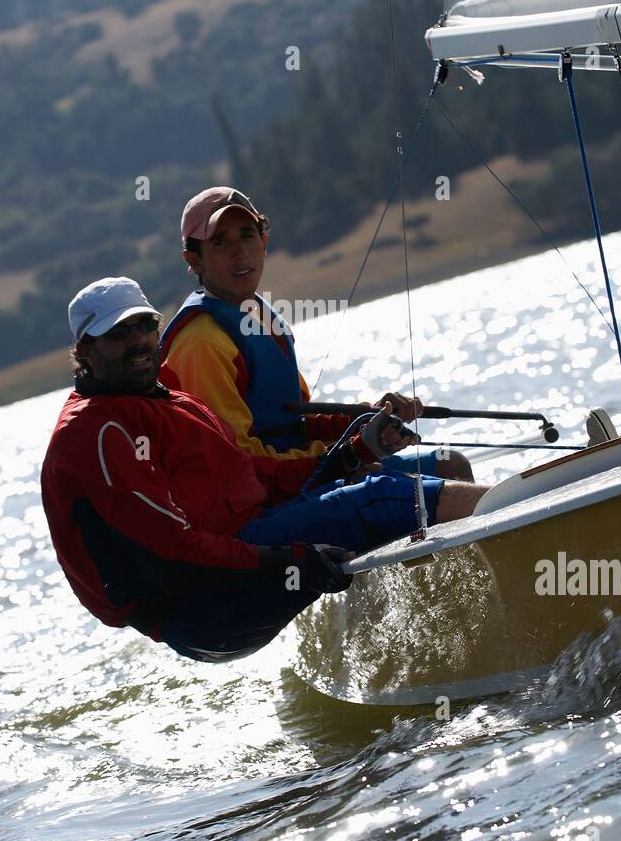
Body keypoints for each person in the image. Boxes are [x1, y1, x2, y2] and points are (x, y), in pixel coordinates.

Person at [41, 276, 489, 663]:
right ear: (86, 349)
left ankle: (463, 614)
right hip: (203, 609)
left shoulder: (169, 402)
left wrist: (354, 451)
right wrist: (295, 560)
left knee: (413, 474)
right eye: (120, 333)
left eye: (145, 326)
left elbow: (259, 478)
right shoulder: (95, 433)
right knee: (380, 497)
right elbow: (173, 560)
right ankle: (523, 521)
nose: (139, 340)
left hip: (244, 546)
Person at [160, 185, 474, 479]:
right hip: (268, 502)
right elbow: (237, 462)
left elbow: (298, 423)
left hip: (303, 475)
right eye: (221, 242)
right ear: (194, 260)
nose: (240, 252)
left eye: (247, 235)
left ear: (264, 242)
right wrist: (345, 456)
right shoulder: (201, 342)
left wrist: (368, 419)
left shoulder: (259, 315)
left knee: (451, 465)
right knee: (433, 479)